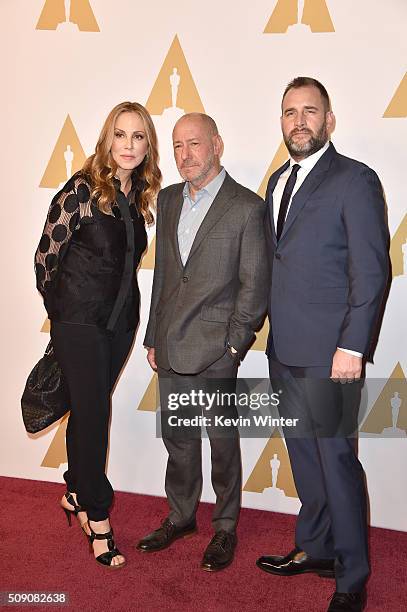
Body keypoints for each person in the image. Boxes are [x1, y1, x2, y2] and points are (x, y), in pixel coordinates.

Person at [256, 78, 389, 612]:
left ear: (329, 120)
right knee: (303, 458)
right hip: (283, 347)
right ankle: (315, 547)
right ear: (282, 121)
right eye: (290, 112)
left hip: (333, 351)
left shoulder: (355, 180)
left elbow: (372, 271)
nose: (300, 121)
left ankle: (352, 575)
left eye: (311, 111)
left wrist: (352, 346)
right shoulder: (274, 183)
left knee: (336, 461)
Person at [137, 113, 269, 571]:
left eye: (194, 144)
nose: (185, 155)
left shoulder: (247, 208)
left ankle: (226, 525)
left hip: (217, 352)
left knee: (222, 441)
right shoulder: (170, 199)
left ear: (217, 144)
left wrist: (234, 347)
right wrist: (154, 337)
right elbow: (163, 279)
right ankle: (181, 515)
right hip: (171, 347)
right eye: (177, 146)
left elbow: (254, 288)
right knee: (178, 438)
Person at [35, 101, 161, 568]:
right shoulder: (82, 190)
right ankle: (98, 515)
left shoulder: (137, 195)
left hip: (119, 323)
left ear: (147, 146)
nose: (128, 145)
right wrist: (63, 311)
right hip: (79, 324)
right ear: (107, 139)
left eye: (139, 137)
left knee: (86, 413)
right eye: (120, 135)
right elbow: (46, 257)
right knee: (94, 417)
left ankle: (75, 488)